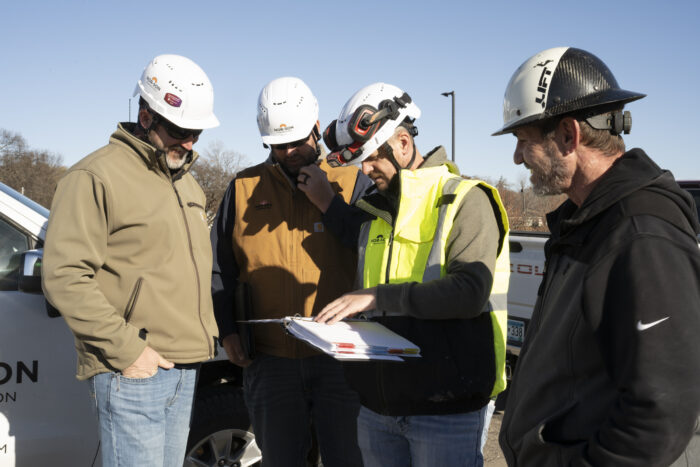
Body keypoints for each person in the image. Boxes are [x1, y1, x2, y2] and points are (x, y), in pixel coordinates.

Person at [494, 47, 700, 466]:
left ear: (568, 135)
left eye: (523, 140)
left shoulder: (639, 233)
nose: (516, 157)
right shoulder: (587, 222)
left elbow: (661, 412)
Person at [309, 82, 511, 467]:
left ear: (403, 143)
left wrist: (377, 296)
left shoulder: (465, 200)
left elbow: (469, 292)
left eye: (372, 159)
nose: (365, 170)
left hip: (446, 410)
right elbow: (350, 235)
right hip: (377, 408)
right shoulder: (374, 212)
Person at [42, 54, 220, 467]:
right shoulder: (95, 176)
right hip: (134, 371)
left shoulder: (189, 185)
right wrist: (129, 351)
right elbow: (64, 276)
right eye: (180, 131)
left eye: (196, 132)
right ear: (145, 117)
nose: (189, 143)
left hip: (186, 367)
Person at [210, 76, 369, 467]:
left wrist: (329, 204)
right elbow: (220, 268)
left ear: (316, 126)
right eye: (279, 146)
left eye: (298, 142)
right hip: (271, 362)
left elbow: (374, 246)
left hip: (341, 358)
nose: (290, 152)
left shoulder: (354, 180)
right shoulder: (243, 187)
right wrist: (227, 330)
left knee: (349, 459)